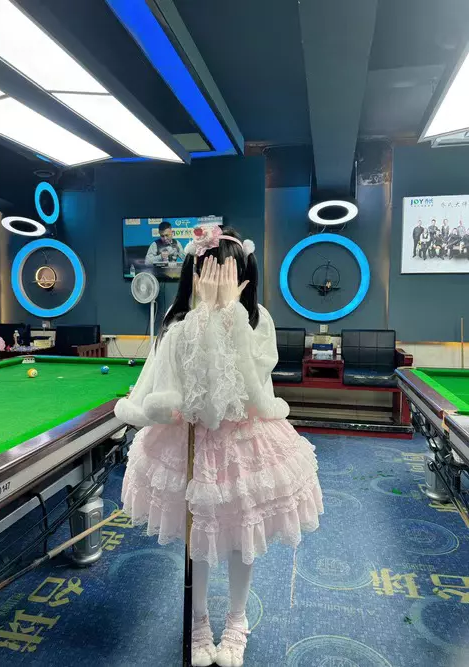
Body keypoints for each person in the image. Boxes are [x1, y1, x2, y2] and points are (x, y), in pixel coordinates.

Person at [116, 226, 323, 667]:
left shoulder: (257, 319)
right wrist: (205, 314)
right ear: (193, 274)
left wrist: (227, 312)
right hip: (189, 443)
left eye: (225, 274)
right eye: (208, 273)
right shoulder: (178, 320)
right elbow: (189, 394)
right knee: (199, 537)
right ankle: (199, 622)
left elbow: (246, 388)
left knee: (239, 537)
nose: (214, 282)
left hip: (243, 442)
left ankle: (236, 619)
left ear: (242, 278)